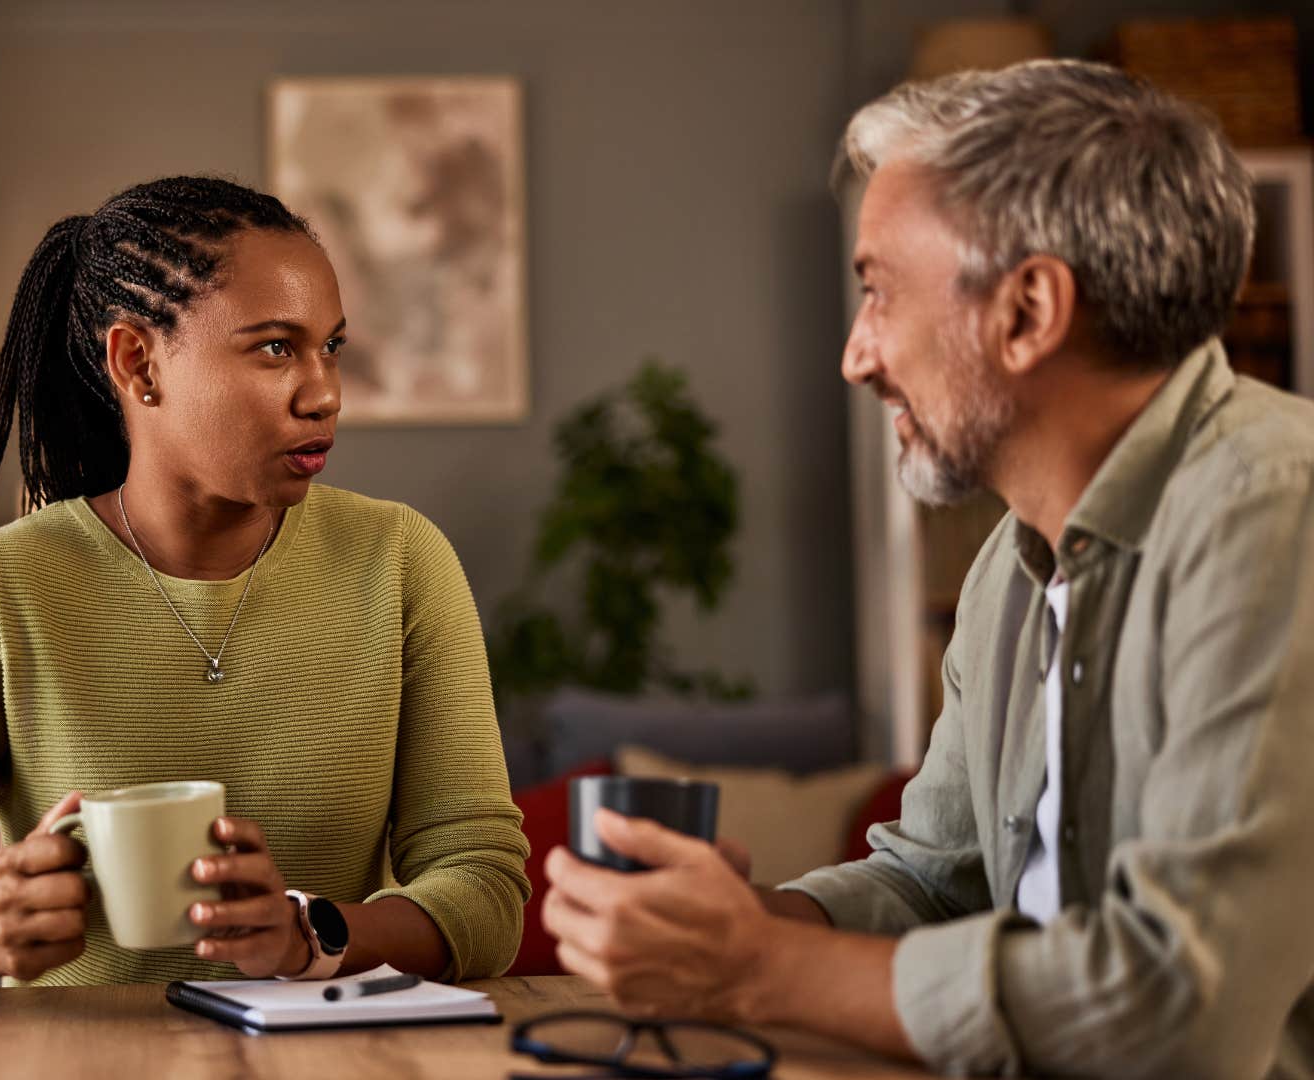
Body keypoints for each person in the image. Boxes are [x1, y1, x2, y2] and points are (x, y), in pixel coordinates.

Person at [543, 59, 1314, 1077]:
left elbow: (1178, 1001)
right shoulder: (1010, 566)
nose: (857, 357)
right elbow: (935, 884)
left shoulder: (1276, 509)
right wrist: (746, 918)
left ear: (1028, 311)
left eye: (877, 292)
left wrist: (757, 966)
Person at [0, 176, 529, 996]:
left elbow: (484, 892)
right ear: (138, 363)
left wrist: (307, 935)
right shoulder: (1, 589)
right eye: (276, 348)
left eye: (332, 348)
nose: (324, 393)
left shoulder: (399, 562)